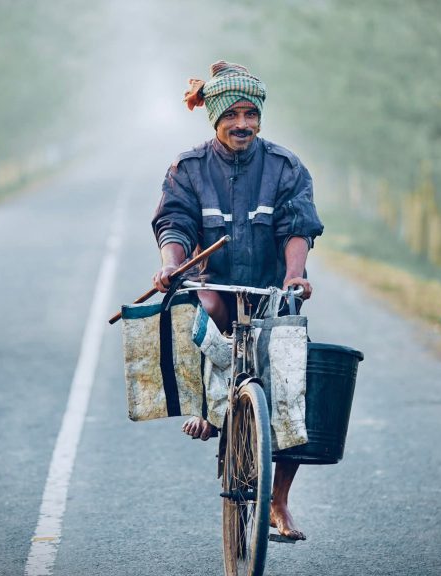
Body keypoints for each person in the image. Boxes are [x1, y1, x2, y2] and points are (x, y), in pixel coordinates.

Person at [151, 60, 324, 540]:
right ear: (215, 118)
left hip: (273, 293)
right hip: (216, 287)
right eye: (233, 115)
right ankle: (208, 408)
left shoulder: (286, 167)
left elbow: (298, 227)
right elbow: (175, 224)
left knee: (291, 392)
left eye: (251, 114)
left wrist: (294, 278)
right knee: (203, 310)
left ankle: (279, 502)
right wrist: (172, 264)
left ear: (260, 117)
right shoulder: (187, 169)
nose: (243, 124)